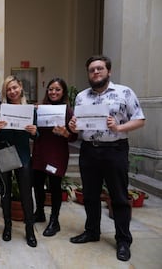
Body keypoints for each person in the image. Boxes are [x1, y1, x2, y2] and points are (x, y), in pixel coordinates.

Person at [68, 55, 145, 262]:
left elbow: (139, 119)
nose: (96, 72)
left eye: (100, 69)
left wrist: (118, 127)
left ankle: (123, 241)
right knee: (90, 195)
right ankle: (92, 231)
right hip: (89, 150)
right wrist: (73, 126)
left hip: (115, 150)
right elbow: (78, 124)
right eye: (92, 69)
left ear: (108, 71)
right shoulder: (82, 97)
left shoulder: (124, 92)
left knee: (119, 196)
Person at [0, 75, 38, 247]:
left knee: (26, 193)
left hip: (23, 155)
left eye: (14, 88)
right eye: (8, 89)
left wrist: (34, 131)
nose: (12, 91)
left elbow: (37, 134)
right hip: (5, 153)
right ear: (5, 92)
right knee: (5, 192)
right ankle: (7, 226)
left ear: (21, 88)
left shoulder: (30, 110)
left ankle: (30, 230)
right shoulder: (0, 107)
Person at [32, 78, 78, 237]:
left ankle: (54, 220)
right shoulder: (40, 108)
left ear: (63, 92)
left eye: (57, 89)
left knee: (55, 187)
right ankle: (39, 212)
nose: (53, 92)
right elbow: (34, 131)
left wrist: (66, 133)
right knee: (37, 185)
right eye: (51, 89)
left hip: (57, 154)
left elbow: (73, 137)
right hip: (40, 153)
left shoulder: (68, 111)